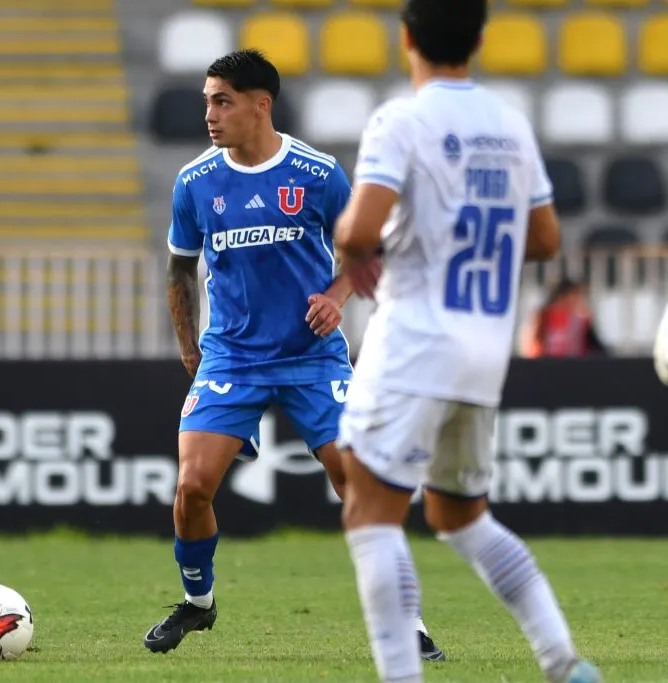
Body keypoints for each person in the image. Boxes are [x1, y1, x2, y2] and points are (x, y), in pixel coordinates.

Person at [142, 48, 445, 662]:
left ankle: (405, 619)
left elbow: (367, 254)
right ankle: (198, 604)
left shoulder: (317, 173)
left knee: (358, 484)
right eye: (207, 101)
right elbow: (179, 270)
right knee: (193, 487)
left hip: (314, 359)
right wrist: (190, 351)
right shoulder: (195, 182)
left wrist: (337, 296)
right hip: (231, 358)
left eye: (221, 100)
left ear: (261, 104)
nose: (210, 113)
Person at [330, 1, 601, 681]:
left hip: (415, 341)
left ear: (406, 38)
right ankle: (564, 662)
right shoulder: (509, 123)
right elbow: (544, 239)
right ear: (479, 39)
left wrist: (356, 247)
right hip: (484, 349)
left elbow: (359, 228)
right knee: (460, 515)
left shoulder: (402, 120)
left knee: (370, 510)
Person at [521, 278, 607, 358]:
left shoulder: (581, 320)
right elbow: (532, 345)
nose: (578, 300)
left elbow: (596, 347)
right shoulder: (543, 316)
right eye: (574, 295)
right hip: (545, 365)